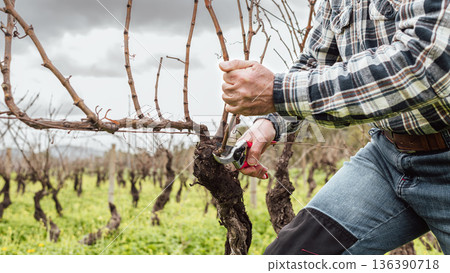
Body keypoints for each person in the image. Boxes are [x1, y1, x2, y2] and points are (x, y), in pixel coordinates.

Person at [219, 0, 450, 255]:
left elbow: (425, 62)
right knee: (291, 257)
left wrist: (277, 91)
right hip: (388, 158)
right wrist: (268, 123)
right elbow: (315, 63)